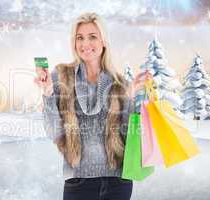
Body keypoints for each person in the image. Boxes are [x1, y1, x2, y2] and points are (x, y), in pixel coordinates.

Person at [34, 12, 150, 200]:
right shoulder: (61, 76)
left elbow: (129, 136)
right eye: (80, 38)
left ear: (104, 41)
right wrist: (47, 93)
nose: (85, 44)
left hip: (117, 182)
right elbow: (53, 132)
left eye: (92, 37)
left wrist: (130, 98)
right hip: (78, 182)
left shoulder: (119, 82)